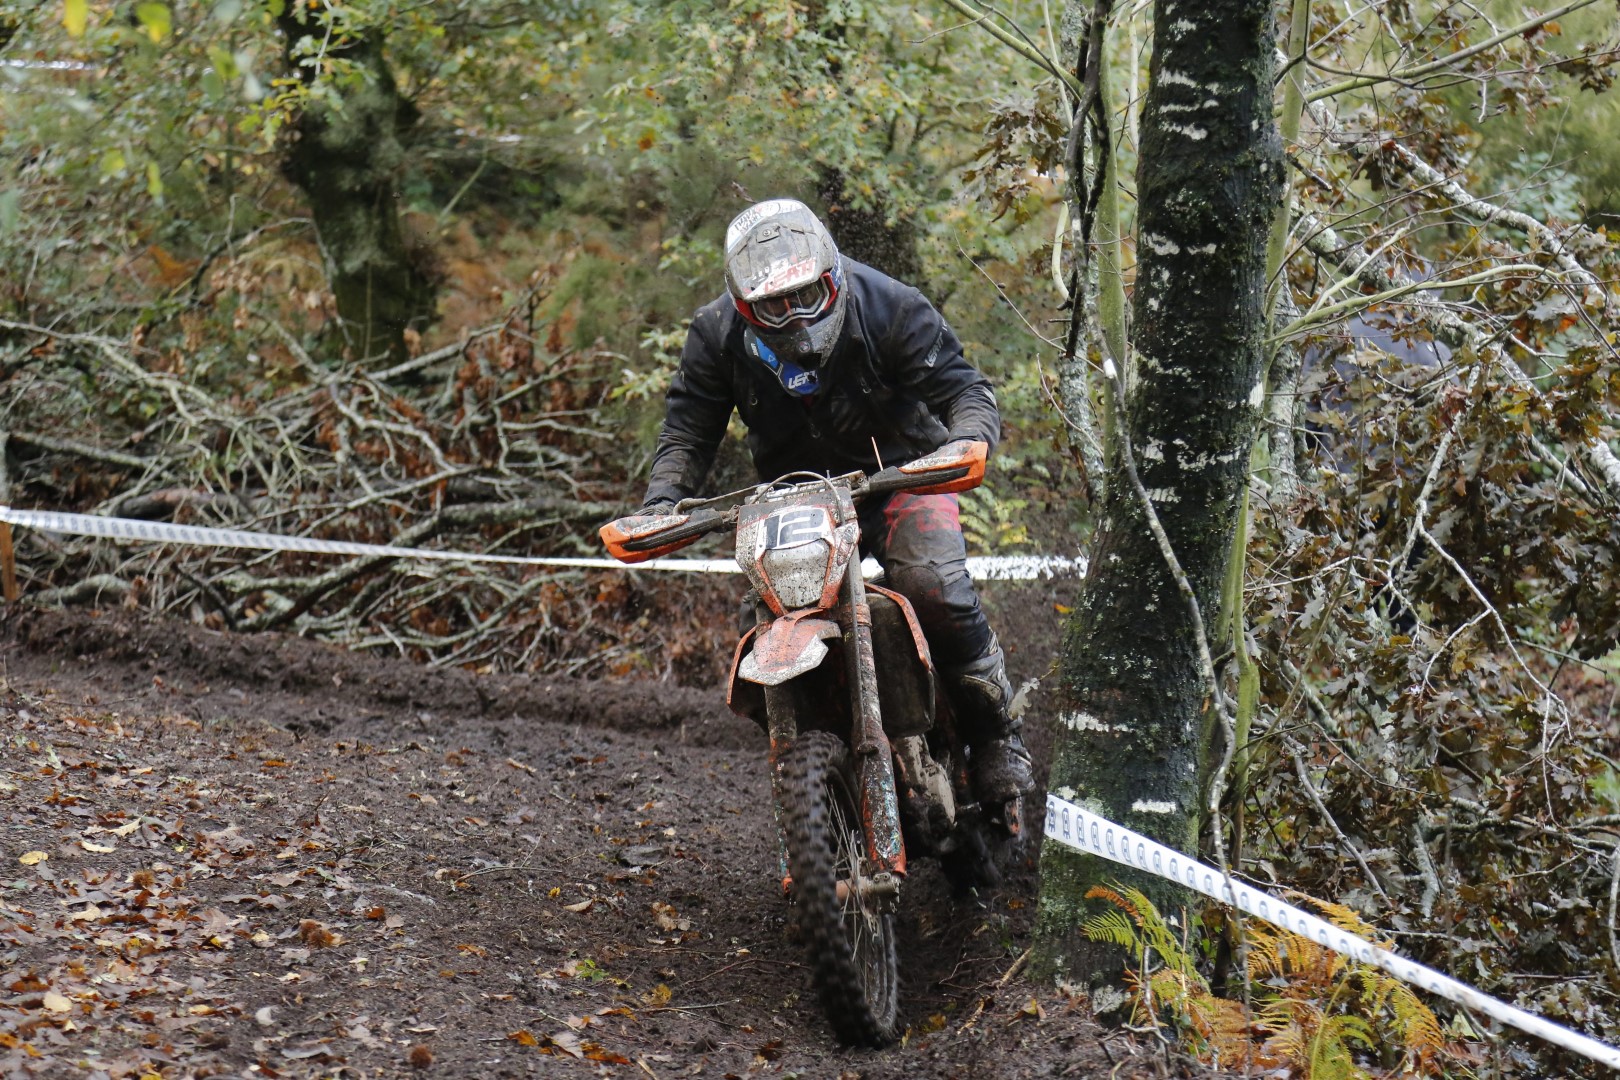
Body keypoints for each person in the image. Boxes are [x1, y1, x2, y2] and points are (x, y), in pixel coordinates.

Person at [640, 198, 1033, 804]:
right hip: (796, 500)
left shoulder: (889, 307)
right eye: (773, 304)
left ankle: (996, 737)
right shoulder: (716, 334)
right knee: (766, 622)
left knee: (934, 586)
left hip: (901, 476)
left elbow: (965, 389)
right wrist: (663, 501)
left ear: (831, 276)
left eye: (806, 295)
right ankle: (826, 763)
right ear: (744, 304)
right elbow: (688, 432)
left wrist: (966, 440)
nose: (794, 316)